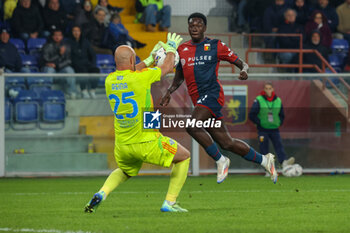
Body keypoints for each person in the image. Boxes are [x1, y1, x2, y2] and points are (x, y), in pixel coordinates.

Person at [160, 13, 278, 184]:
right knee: (226, 142)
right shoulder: (182, 50)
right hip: (200, 101)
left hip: (213, 95)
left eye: (199, 24)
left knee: (192, 126)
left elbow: (242, 63)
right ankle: (264, 160)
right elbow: (179, 76)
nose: (194, 27)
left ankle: (221, 160)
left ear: (205, 28)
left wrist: (243, 70)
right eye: (191, 25)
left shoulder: (215, 45)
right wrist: (169, 91)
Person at [84, 33, 191, 213]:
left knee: (125, 171)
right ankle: (169, 203)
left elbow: (133, 71)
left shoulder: (109, 80)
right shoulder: (141, 78)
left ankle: (102, 193)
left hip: (123, 144)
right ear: (133, 59)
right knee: (184, 156)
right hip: (146, 140)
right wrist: (171, 48)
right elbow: (165, 67)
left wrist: (150, 58)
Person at [249, 82, 295, 169]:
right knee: (264, 149)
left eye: (270, 88)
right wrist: (260, 123)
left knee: (279, 146)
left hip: (274, 128)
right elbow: (252, 115)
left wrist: (278, 123)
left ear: (273, 89)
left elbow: (282, 115)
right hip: (262, 129)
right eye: (266, 88)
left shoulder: (278, 100)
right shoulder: (258, 100)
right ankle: (267, 168)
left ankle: (284, 163)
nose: (268, 90)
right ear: (264, 89)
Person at [40, 29, 77, 99]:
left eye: (59, 35)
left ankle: (72, 92)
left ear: (62, 37)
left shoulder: (66, 46)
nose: (57, 37)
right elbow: (46, 60)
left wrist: (57, 65)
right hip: (50, 68)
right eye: (55, 35)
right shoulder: (47, 46)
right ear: (53, 37)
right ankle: (48, 93)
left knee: (69, 70)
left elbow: (68, 60)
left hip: (61, 68)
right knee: (49, 70)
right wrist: (59, 54)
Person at [69, 25, 99, 99]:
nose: (76, 33)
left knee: (96, 70)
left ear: (80, 32)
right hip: (75, 64)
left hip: (86, 63)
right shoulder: (68, 42)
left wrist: (93, 64)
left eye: (78, 31)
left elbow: (93, 55)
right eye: (74, 31)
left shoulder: (85, 41)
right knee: (82, 70)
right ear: (71, 32)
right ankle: (83, 91)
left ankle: (92, 90)